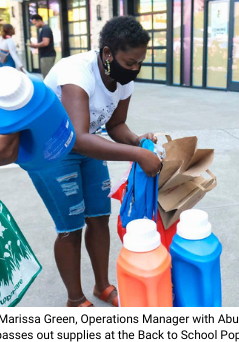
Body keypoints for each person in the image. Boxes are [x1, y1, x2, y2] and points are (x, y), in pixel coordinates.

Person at [27, 16, 161, 307]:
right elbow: (78, 137)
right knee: (71, 225)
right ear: (107, 54)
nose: (135, 69)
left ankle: (102, 285)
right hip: (52, 150)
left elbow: (116, 126)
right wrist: (138, 155)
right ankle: (75, 299)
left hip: (89, 145)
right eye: (130, 62)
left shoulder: (123, 80)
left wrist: (138, 141)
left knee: (100, 217)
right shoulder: (77, 72)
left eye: (140, 62)